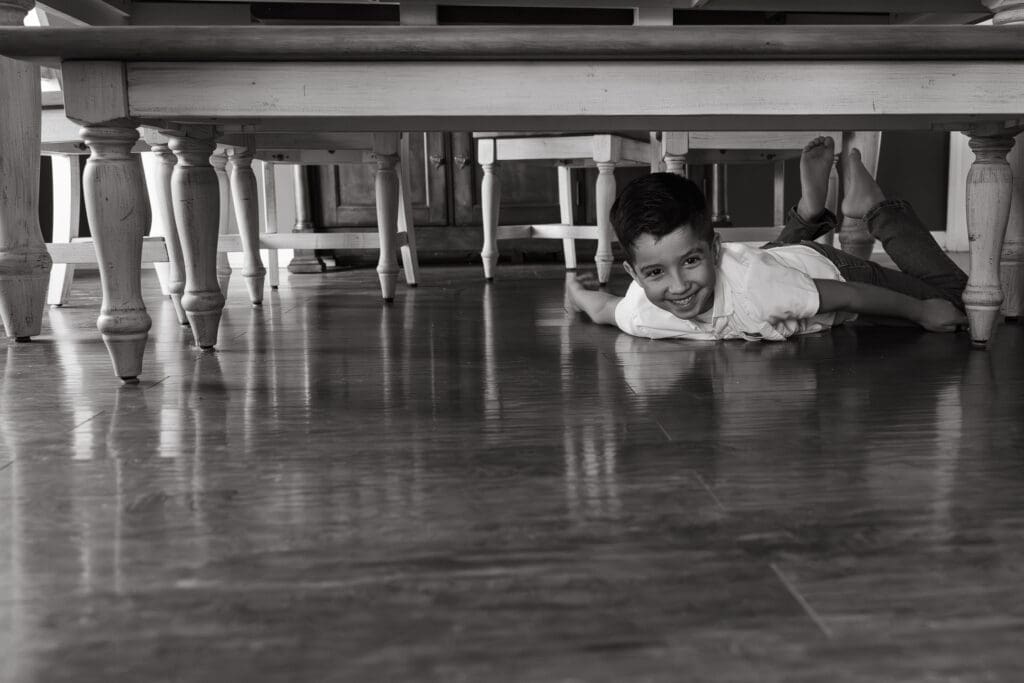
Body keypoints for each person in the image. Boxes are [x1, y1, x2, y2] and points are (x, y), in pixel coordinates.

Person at [567, 136, 968, 341]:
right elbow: (604, 308)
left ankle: (874, 206)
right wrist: (575, 293)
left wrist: (920, 314)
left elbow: (852, 297)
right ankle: (810, 210)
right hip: (774, 265)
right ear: (633, 275)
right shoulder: (643, 310)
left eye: (690, 261)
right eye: (655, 272)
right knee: (766, 266)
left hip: (832, 272)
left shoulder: (761, 290)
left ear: (714, 248)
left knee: (955, 300)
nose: (678, 286)